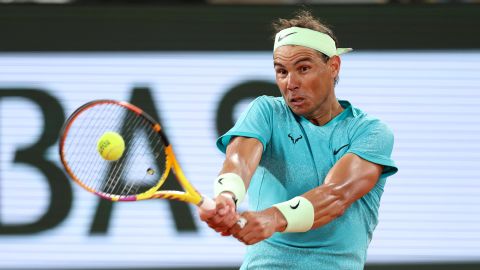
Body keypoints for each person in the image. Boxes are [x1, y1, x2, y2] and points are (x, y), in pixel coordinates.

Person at [199, 10, 398, 270]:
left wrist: (273, 218)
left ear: (333, 66)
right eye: (281, 71)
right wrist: (227, 197)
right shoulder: (266, 112)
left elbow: (335, 197)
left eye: (303, 68)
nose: (290, 83)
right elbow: (238, 161)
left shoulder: (370, 132)